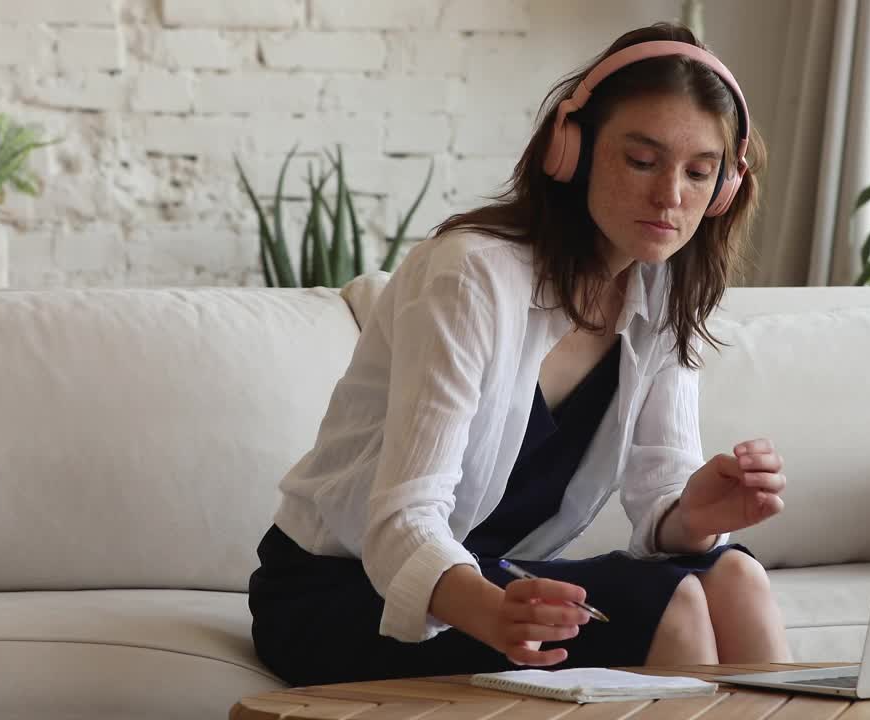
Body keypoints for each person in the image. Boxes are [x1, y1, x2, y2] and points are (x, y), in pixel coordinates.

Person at [248, 22, 790, 686]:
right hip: (341, 590)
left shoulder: (665, 290)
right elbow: (402, 521)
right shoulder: (469, 277)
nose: (670, 195)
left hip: (489, 580)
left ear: (724, 189)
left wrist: (694, 518)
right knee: (673, 609)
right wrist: (491, 610)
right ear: (572, 149)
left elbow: (661, 497)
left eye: (699, 172)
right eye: (641, 161)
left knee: (734, 575)